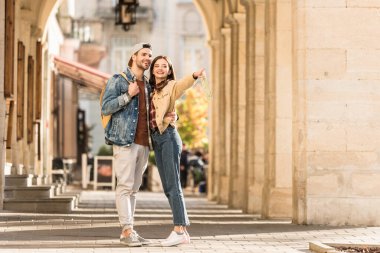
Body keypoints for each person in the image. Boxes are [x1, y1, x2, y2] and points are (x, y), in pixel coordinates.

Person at [102, 43, 166, 247]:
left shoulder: (148, 85)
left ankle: (130, 230)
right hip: (124, 142)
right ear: (134, 56)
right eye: (144, 54)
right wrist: (127, 95)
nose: (148, 58)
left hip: (144, 143)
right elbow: (106, 107)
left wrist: (171, 116)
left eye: (150, 55)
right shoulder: (118, 80)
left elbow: (155, 110)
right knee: (125, 186)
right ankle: (126, 229)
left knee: (135, 189)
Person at [149, 55, 205, 246]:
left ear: (169, 69)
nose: (160, 68)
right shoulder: (151, 90)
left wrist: (195, 75)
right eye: (157, 65)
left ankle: (179, 229)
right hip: (157, 139)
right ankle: (183, 232)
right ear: (153, 69)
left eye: (164, 66)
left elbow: (183, 85)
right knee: (168, 187)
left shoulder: (171, 86)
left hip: (169, 137)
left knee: (173, 186)